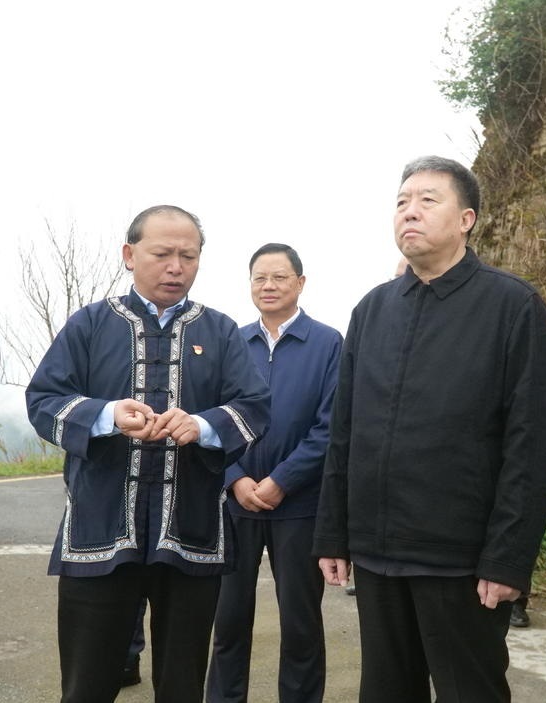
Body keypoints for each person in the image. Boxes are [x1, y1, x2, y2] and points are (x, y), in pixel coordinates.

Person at [313, 155, 546, 703]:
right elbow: (345, 431)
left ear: (466, 219)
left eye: (428, 200)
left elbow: (534, 444)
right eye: (402, 202)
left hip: (460, 561)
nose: (410, 211)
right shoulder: (372, 310)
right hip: (377, 554)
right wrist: (334, 533)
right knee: (385, 691)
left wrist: (508, 558)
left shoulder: (512, 305)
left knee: (469, 691)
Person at [25, 205, 270, 703]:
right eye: (162, 254)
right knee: (87, 685)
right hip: (98, 531)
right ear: (129, 254)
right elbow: (43, 400)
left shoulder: (220, 331)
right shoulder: (91, 324)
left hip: (191, 531)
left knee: (182, 687)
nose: (176, 267)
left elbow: (255, 406)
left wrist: (202, 425)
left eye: (188, 256)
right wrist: (107, 415)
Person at [207, 243, 342, 703]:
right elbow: (212, 419)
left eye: (279, 277)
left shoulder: (328, 343)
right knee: (228, 621)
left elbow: (331, 426)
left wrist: (284, 479)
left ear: (300, 283)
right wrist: (235, 477)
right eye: (259, 277)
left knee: (301, 624)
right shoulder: (232, 342)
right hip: (237, 504)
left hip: (300, 506)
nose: (268, 286)